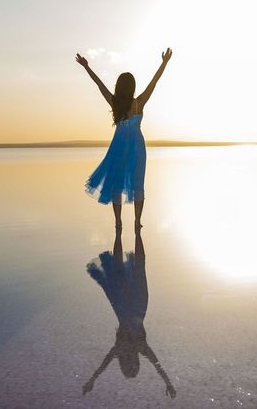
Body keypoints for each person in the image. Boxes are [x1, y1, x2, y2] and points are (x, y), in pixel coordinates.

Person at [75, 48, 172, 230]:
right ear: (132, 87)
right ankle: (137, 221)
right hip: (136, 147)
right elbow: (154, 82)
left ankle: (118, 221)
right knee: (138, 185)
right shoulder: (139, 103)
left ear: (119, 87)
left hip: (118, 147)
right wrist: (164, 63)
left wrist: (86, 67)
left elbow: (99, 85)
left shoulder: (115, 103)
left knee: (117, 185)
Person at [83, 230, 176, 398]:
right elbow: (157, 366)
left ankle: (133, 231)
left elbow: (157, 366)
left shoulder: (132, 348)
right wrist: (92, 380)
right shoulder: (134, 348)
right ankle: (127, 231)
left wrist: (93, 380)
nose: (130, 362)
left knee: (132, 268)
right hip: (129, 306)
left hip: (135, 306)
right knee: (125, 269)